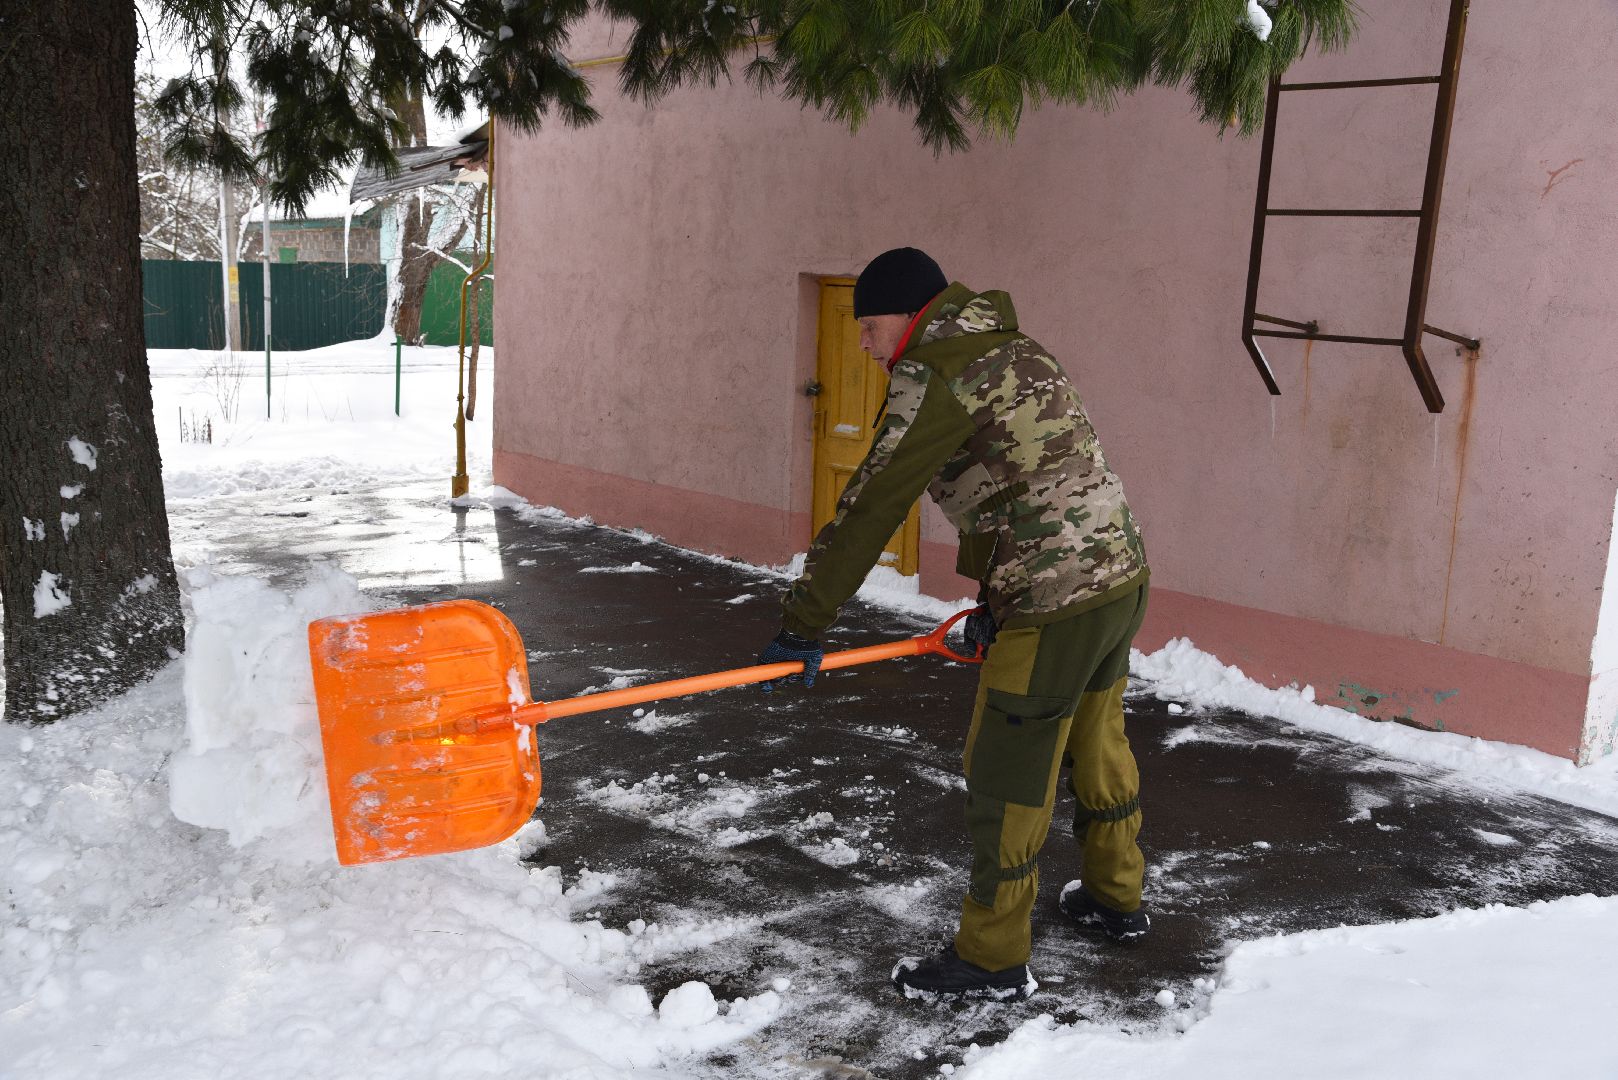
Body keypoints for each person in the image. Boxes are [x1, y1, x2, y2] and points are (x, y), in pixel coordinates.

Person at [758, 247, 1152, 1001]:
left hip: (1053, 602)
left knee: (1008, 772)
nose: (866, 347)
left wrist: (805, 621)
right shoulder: (1014, 346)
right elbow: (1034, 478)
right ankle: (1115, 897)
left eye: (870, 328)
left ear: (910, 316)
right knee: (1097, 741)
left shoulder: (933, 373)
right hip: (1117, 578)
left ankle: (993, 958)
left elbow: (871, 503)